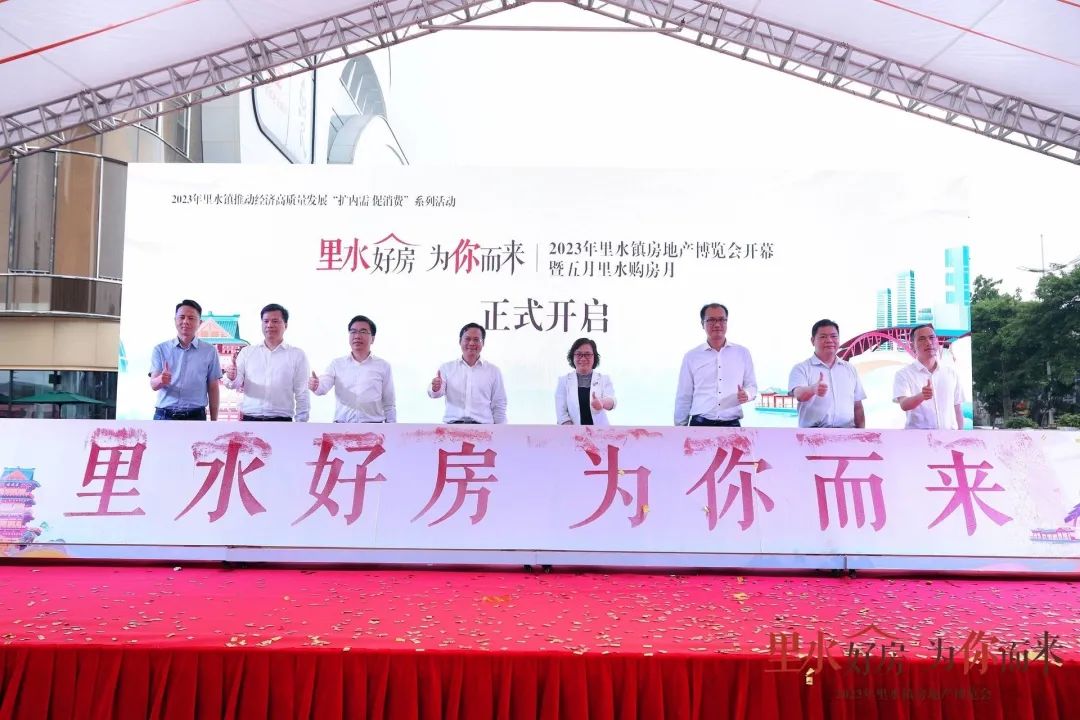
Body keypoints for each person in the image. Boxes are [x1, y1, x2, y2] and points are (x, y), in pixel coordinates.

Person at [674, 303, 757, 427]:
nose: (717, 324)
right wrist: (680, 429)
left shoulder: (742, 353)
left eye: (722, 319)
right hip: (700, 425)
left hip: (732, 425)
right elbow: (684, 396)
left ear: (727, 322)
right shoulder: (691, 357)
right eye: (711, 320)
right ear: (702, 324)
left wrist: (747, 394)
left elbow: (752, 386)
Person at [224, 303, 310, 422]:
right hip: (250, 419)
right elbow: (234, 384)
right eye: (266, 321)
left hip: (282, 421)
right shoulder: (247, 352)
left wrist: (301, 423)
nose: (269, 325)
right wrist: (232, 377)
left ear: (285, 325)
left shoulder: (297, 355)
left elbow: (302, 392)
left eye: (275, 321)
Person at [309, 315, 396, 423]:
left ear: (372, 339)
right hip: (342, 427)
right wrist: (316, 385)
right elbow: (322, 388)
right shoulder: (337, 364)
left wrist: (392, 429)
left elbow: (389, 404)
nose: (357, 336)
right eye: (353, 332)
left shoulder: (383, 366)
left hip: (373, 427)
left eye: (363, 332)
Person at [150, 299, 221, 420]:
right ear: (175, 320)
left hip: (196, 417)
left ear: (200, 322)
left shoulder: (210, 351)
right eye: (182, 317)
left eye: (191, 318)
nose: (185, 321)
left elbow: (213, 388)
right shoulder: (160, 349)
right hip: (164, 416)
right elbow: (153, 385)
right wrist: (161, 380)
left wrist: (214, 421)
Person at [788, 319, 866, 428]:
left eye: (834, 336)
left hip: (847, 433)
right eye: (823, 336)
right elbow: (799, 394)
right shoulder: (801, 368)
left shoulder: (850, 369)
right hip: (812, 434)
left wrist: (862, 433)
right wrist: (813, 389)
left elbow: (857, 407)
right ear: (812, 340)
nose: (829, 340)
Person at [428, 323, 507, 424]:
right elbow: (435, 394)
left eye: (476, 339)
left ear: (483, 343)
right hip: (452, 428)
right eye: (467, 339)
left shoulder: (493, 371)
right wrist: (435, 388)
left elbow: (499, 404)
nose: (471, 343)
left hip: (484, 428)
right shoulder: (447, 368)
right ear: (460, 341)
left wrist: (501, 430)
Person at [893, 323, 964, 430]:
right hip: (917, 438)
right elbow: (904, 404)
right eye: (922, 339)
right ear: (912, 346)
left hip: (948, 437)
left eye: (931, 338)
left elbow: (957, 409)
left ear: (937, 342)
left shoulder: (951, 373)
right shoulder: (903, 374)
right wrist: (922, 396)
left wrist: (961, 434)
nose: (928, 342)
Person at [555, 338, 616, 426]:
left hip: (600, 432)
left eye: (587, 354)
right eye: (578, 354)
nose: (583, 358)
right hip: (573, 432)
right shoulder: (563, 381)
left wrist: (602, 402)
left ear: (594, 357)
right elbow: (562, 414)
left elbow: (612, 401)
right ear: (572, 357)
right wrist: (573, 431)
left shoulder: (604, 379)